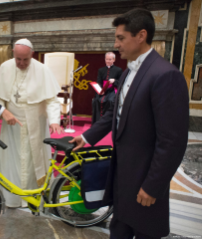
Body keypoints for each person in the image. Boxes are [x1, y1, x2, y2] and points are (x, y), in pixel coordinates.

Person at [70, 8, 189, 239]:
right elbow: (116, 112)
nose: (116, 45)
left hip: (145, 179)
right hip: (122, 176)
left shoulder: (165, 75)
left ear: (141, 35)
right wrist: (86, 137)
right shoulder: (127, 73)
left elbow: (172, 141)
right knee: (119, 229)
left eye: (121, 38)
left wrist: (153, 186)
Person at [0, 39, 63, 208]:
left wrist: (54, 120)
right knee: (13, 160)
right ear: (13, 53)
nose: (21, 63)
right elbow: (0, 97)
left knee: (34, 161)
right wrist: (1, 111)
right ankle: (13, 197)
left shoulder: (42, 70)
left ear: (32, 54)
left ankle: (33, 196)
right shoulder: (5, 68)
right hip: (12, 127)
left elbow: (52, 100)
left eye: (25, 59)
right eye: (18, 59)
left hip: (35, 124)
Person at [92, 52, 122, 124]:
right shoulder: (101, 70)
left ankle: (108, 122)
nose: (108, 61)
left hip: (112, 90)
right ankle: (98, 122)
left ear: (114, 60)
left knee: (110, 101)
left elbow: (121, 82)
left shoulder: (118, 70)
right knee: (96, 100)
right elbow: (99, 82)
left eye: (110, 59)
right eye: (106, 59)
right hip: (103, 90)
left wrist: (114, 81)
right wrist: (99, 90)